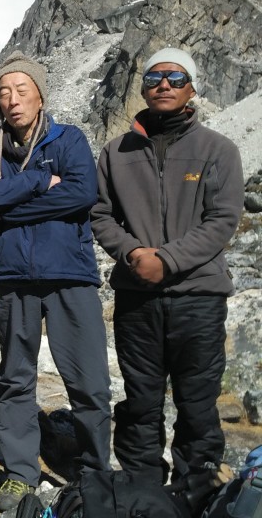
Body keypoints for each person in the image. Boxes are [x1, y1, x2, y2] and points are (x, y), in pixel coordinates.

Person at [0, 51, 112, 511]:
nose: (12, 100)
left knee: (89, 380)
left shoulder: (68, 139)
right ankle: (21, 473)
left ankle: (94, 471)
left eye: (21, 90)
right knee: (15, 379)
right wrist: (36, 182)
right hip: (14, 279)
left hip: (70, 276)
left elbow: (81, 193)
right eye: (4, 92)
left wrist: (6, 212)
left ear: (40, 93)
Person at [91, 47, 244, 486]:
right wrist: (136, 255)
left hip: (199, 297)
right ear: (142, 86)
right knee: (140, 400)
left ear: (192, 88)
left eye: (176, 78)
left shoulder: (218, 149)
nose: (164, 85)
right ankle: (144, 491)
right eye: (156, 76)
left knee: (197, 402)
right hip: (137, 295)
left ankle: (195, 489)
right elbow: (101, 214)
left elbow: (223, 218)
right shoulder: (116, 151)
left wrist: (169, 260)